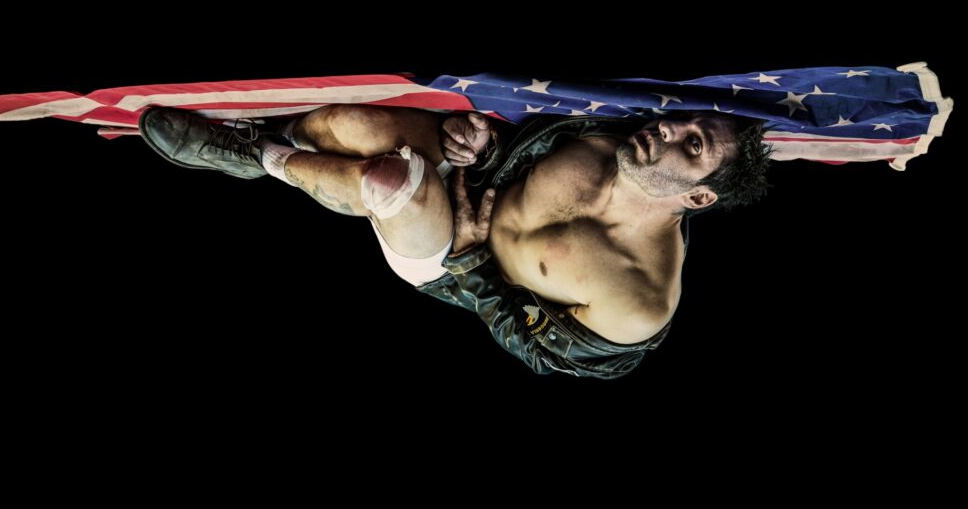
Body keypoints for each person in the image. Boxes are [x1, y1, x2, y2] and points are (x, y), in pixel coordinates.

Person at [139, 103, 772, 378]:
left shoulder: (639, 300)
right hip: (475, 183)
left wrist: (470, 262)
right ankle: (286, 137)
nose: (667, 130)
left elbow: (542, 352)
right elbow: (523, 150)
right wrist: (483, 147)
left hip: (453, 261)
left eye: (692, 146)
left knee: (390, 181)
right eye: (683, 123)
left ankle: (254, 154)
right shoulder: (608, 140)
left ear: (698, 198)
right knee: (353, 125)